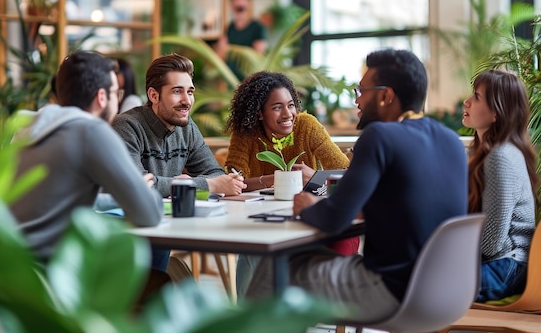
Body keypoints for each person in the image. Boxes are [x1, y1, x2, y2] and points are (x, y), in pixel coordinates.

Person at [245, 49, 468, 324]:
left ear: (386, 96)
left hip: (392, 289)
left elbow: (334, 219)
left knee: (276, 265)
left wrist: (308, 206)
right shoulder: (451, 140)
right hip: (451, 291)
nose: (356, 98)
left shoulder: (379, 136)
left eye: (362, 90)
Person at [11, 50, 164, 263]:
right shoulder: (91, 131)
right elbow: (148, 214)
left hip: (3, 265)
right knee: (155, 277)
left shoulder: (30, 126)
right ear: (102, 97)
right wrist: (141, 188)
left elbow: (53, 203)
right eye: (116, 93)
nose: (117, 101)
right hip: (44, 276)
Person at [224, 71, 353, 300]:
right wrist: (272, 179)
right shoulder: (246, 133)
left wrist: (313, 177)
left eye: (291, 105)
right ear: (259, 114)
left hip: (305, 220)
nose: (288, 114)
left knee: (260, 250)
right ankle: (251, 318)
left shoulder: (307, 126)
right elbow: (233, 180)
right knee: (254, 246)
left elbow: (345, 173)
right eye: (276, 107)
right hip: (263, 220)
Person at [112, 53, 246, 270]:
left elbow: (215, 173)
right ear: (154, 95)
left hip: (165, 230)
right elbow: (138, 186)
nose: (187, 101)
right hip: (129, 236)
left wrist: (182, 184)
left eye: (190, 91)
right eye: (177, 91)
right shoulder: (127, 126)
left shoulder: (186, 127)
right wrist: (197, 185)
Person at [462, 69, 538, 302]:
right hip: (500, 263)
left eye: (476, 97)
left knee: (425, 285)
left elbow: (491, 243)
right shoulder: (484, 153)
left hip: (508, 266)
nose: (466, 101)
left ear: (496, 112)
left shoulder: (501, 156)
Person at [217, 0, 268, 81]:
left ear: (247, 6)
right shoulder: (230, 28)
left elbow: (259, 55)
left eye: (241, 8)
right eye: (237, 8)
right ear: (232, 6)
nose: (239, 11)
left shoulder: (257, 27)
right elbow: (222, 52)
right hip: (230, 77)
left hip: (249, 77)